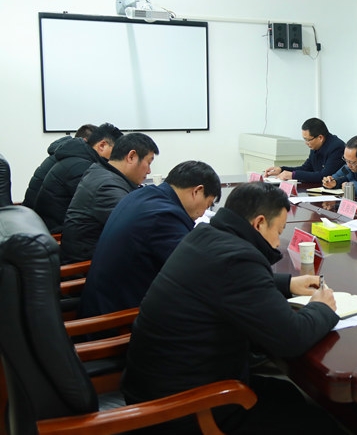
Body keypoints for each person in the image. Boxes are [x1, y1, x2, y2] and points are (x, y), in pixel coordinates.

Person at [121, 182, 342, 434]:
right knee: (322, 425)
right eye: (278, 231)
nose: (276, 242)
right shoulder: (239, 259)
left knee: (286, 393)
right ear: (259, 223)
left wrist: (288, 284)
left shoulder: (205, 235)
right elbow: (291, 338)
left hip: (158, 385)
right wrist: (322, 307)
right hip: (184, 409)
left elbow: (226, 282)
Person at [77, 161, 220, 319]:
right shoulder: (165, 216)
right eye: (208, 204)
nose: (203, 213)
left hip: (102, 303)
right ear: (197, 191)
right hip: (117, 320)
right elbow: (193, 272)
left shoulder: (143, 195)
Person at [60, 132, 159, 264]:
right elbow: (140, 228)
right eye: (149, 163)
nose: (149, 171)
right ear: (131, 156)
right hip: (87, 267)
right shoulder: (107, 186)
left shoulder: (102, 172)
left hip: (101, 258)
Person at [31, 123, 123, 233]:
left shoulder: (76, 157)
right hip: (56, 231)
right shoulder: (82, 167)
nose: (116, 158)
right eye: (116, 152)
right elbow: (99, 204)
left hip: (44, 223)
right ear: (102, 145)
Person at [22, 124, 97, 209]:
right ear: (85, 141)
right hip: (40, 214)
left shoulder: (62, 153)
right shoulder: (74, 163)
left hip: (32, 211)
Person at [264, 117, 345, 182]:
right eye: (304, 139)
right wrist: (282, 169)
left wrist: (293, 175)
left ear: (320, 137)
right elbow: (305, 168)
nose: (306, 143)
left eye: (308, 140)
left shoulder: (337, 147)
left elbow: (324, 176)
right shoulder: (315, 146)